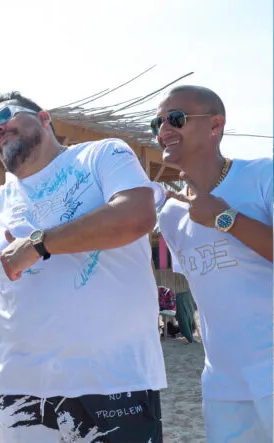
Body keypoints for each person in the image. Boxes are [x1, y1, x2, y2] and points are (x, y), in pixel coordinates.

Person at [0, 91, 167, 442]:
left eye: (4, 117)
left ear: (44, 119)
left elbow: (136, 214)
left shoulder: (102, 154)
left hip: (112, 378)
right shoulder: (0, 200)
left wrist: (38, 244)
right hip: (22, 385)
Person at [155, 85, 273, 442]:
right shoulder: (172, 216)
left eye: (175, 118)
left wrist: (226, 218)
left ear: (215, 125)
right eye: (156, 123)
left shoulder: (262, 176)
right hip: (222, 385)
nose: (163, 130)